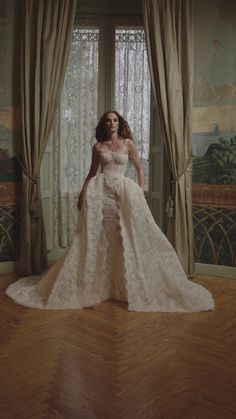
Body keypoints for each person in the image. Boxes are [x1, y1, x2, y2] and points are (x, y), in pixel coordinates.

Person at [5, 111, 214, 312]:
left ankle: (122, 284)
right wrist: (81, 195)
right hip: (100, 196)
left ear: (119, 123)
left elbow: (140, 168)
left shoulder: (127, 143)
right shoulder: (98, 147)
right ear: (104, 125)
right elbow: (91, 173)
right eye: (108, 121)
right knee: (101, 238)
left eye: (115, 120)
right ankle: (101, 284)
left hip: (123, 193)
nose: (112, 123)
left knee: (123, 237)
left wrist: (139, 191)